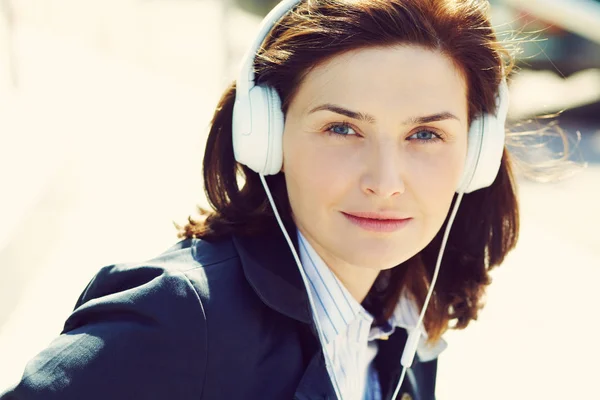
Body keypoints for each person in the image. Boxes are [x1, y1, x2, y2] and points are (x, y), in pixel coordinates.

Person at [1, 0, 522, 399]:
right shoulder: (177, 318)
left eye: (426, 135)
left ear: (476, 155)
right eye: (342, 128)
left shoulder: (405, 312)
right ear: (267, 137)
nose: (385, 182)